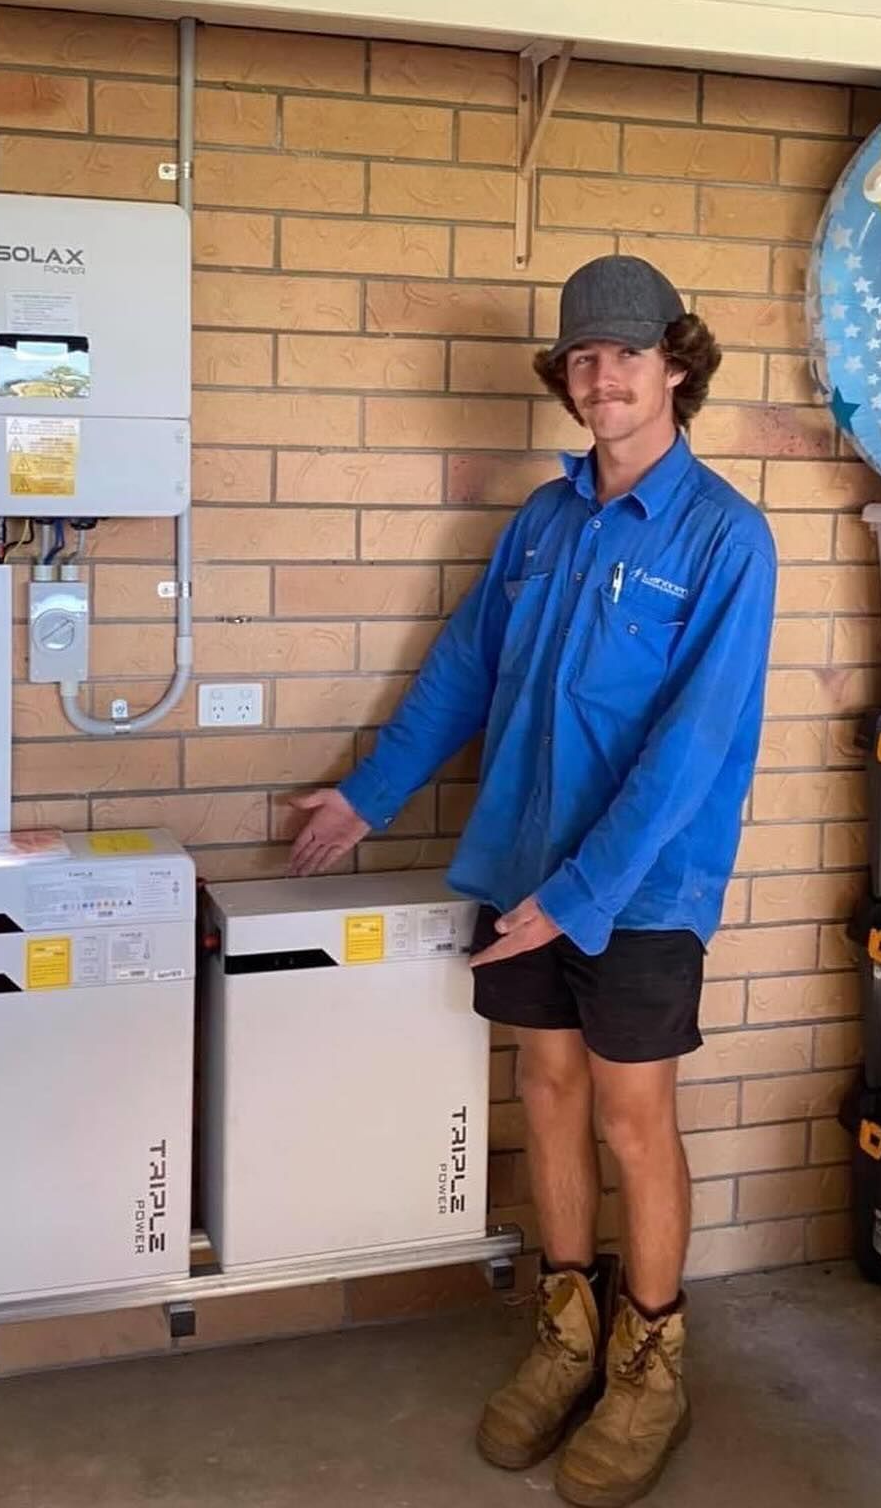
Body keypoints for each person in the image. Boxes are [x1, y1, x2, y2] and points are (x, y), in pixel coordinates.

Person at [287, 254, 777, 1508]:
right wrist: (367, 796)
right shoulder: (542, 524)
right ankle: (567, 1330)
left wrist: (585, 890)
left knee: (630, 1118)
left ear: (677, 366)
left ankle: (652, 1356)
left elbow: (694, 746)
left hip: (641, 891)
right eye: (582, 358)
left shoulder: (726, 538)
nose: (602, 376)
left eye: (627, 353)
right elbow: (463, 670)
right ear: (564, 380)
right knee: (547, 1096)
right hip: (521, 866)